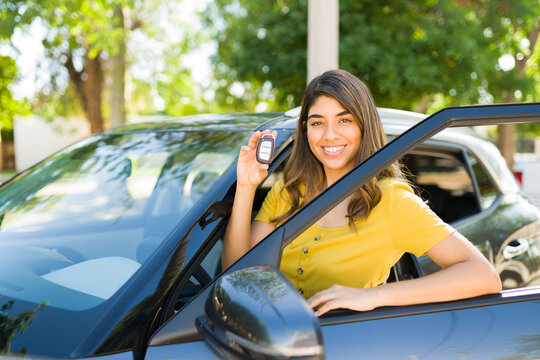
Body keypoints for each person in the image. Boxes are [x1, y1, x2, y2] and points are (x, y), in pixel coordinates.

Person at [222, 69, 502, 316]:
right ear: (306, 129)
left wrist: (373, 296)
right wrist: (246, 186)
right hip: (271, 341)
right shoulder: (289, 189)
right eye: (318, 122)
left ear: (364, 125)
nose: (330, 135)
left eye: (345, 120)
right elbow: (236, 274)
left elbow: (483, 276)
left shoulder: (392, 200)